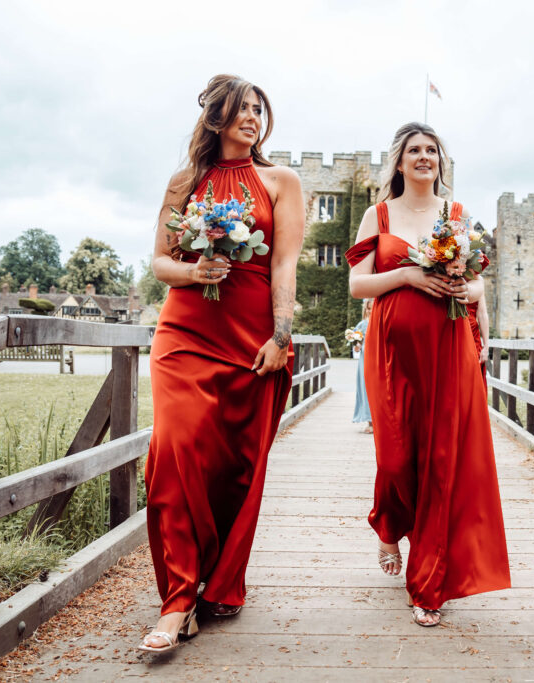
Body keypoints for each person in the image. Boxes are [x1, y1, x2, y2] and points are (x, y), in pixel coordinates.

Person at [140, 74, 305, 652]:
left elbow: (283, 266)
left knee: (233, 464)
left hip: (250, 336)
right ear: (215, 117)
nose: (253, 118)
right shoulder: (185, 182)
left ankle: (217, 580)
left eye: (260, 109)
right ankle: (178, 598)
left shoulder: (281, 181)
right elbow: (161, 261)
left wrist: (282, 335)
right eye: (241, 109)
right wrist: (193, 272)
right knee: (174, 452)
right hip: (184, 331)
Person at [346, 122, 511, 627]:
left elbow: (481, 284)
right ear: (398, 163)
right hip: (393, 350)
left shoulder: (457, 216)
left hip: (449, 344)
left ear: (440, 162)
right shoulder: (378, 215)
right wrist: (408, 275)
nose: (423, 157)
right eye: (414, 150)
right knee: (396, 458)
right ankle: (388, 525)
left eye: (431, 151)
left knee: (442, 461)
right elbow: (357, 285)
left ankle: (429, 583)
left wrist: (471, 291)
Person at [352, 298, 373, 432]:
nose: (370, 311)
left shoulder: (381, 322)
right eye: (368, 308)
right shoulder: (362, 325)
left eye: (372, 308)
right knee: (366, 387)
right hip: (365, 359)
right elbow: (356, 344)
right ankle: (369, 421)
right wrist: (357, 346)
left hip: (378, 357)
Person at [465, 293, 490, 388]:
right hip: (449, 331)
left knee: (473, 377)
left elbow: (482, 314)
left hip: (472, 336)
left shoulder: (477, 280)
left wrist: (486, 347)